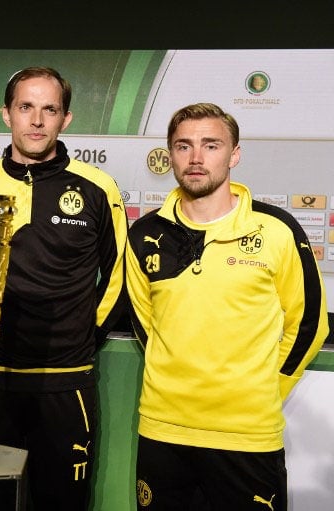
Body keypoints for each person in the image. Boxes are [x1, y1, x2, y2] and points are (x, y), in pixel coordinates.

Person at [125, 102, 329, 510]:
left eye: (211, 145)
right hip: (164, 432)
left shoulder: (276, 229)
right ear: (170, 156)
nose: (196, 158)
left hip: (248, 436)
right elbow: (148, 326)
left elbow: (309, 324)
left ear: (234, 154)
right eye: (183, 146)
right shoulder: (146, 234)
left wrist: (262, 389)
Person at [0, 66, 128, 510]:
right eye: (25, 107)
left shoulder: (97, 187)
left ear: (65, 119)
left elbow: (119, 276)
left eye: (49, 109)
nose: (36, 120)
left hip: (64, 384)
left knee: (63, 504)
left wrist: (84, 338)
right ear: (6, 114)